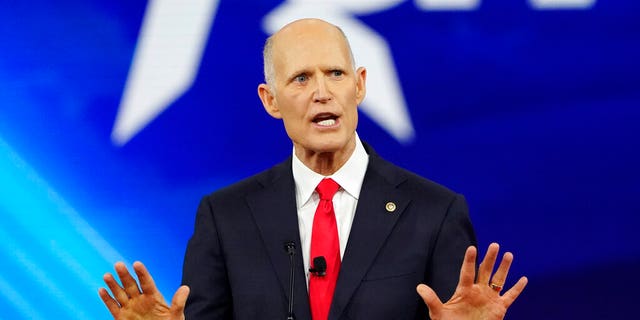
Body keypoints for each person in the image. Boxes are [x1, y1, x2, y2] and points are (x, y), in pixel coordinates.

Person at [98, 18, 527, 320]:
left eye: (335, 74)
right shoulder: (225, 217)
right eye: (301, 79)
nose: (322, 92)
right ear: (270, 100)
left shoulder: (434, 212)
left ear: (359, 85)